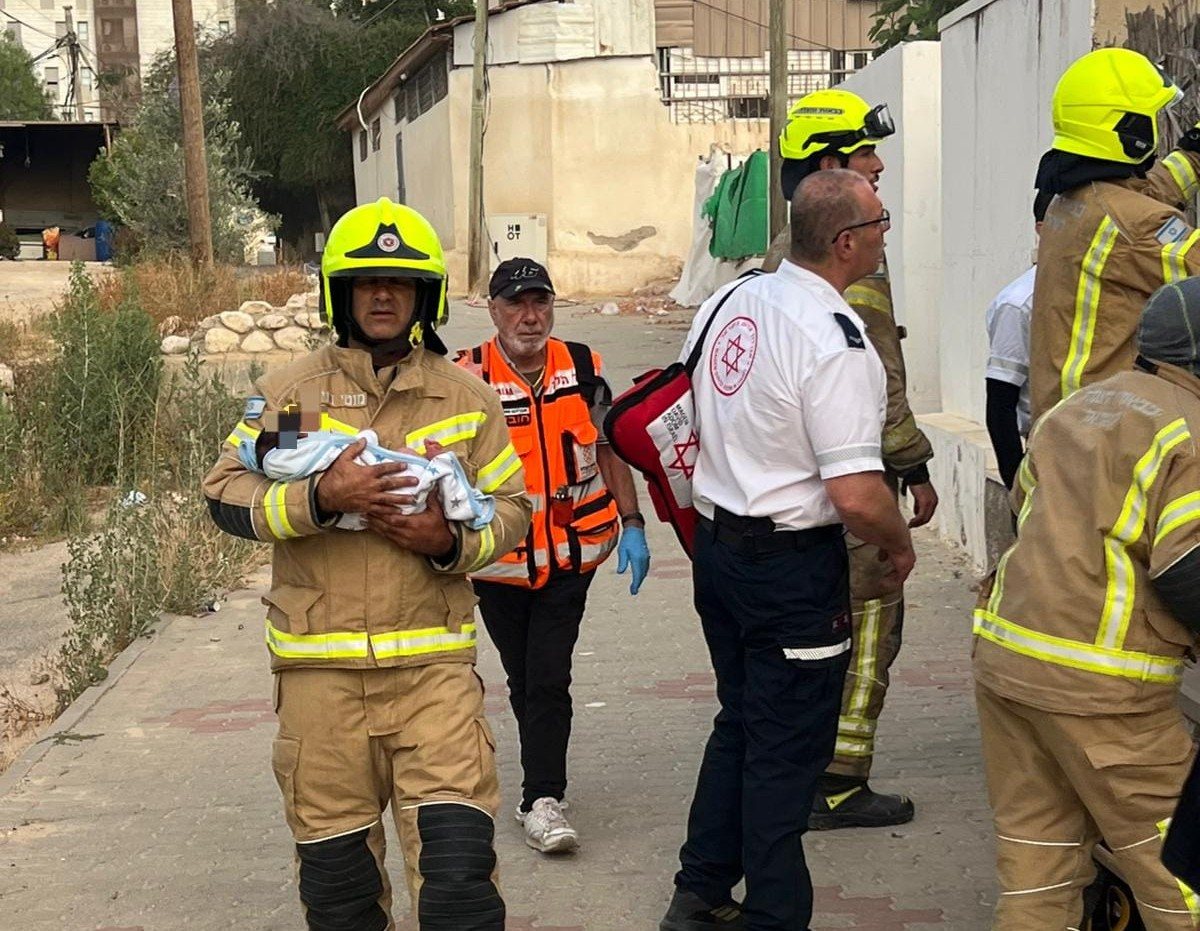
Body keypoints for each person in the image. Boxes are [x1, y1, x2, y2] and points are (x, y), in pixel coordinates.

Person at [202, 198, 532, 931]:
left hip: (433, 683)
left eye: (400, 283)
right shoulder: (291, 396)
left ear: (426, 296)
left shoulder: (466, 397)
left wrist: (444, 542)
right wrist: (320, 496)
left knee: (460, 890)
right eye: (365, 282)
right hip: (320, 690)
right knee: (342, 902)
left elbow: (512, 509)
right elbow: (224, 492)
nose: (383, 295)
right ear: (339, 293)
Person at [660, 169, 916, 931]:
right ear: (846, 242)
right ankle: (774, 914)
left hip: (720, 546)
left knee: (740, 720)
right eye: (879, 220)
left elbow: (687, 401)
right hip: (790, 567)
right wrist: (899, 547)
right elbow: (857, 494)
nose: (884, 231)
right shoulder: (838, 342)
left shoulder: (732, 298)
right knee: (786, 753)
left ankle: (699, 889)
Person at [973, 278, 1200, 929]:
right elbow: (1186, 567)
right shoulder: (1188, 428)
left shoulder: (1075, 408)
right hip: (1105, 690)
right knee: (1182, 875)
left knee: (1037, 871)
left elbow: (1025, 514)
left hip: (1008, 665)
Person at [761, 87, 937, 830]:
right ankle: (840, 780)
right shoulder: (852, 255)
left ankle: (796, 769)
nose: (879, 162)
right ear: (831, 161)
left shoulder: (781, 259)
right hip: (855, 478)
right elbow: (881, 381)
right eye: (865, 150)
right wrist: (915, 466)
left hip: (794, 490)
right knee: (872, 622)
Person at [454, 257, 650, 855]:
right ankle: (538, 776)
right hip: (501, 564)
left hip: (571, 557)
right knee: (524, 677)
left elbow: (610, 446)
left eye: (540, 302)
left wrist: (634, 520)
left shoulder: (586, 367)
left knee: (547, 675)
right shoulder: (467, 378)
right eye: (516, 303)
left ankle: (542, 799)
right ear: (493, 311)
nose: (530, 316)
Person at [1030, 47, 1200, 424]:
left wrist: (1192, 154)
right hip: (1108, 431)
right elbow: (1184, 258)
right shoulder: (1136, 224)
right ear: (1130, 129)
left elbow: (1138, 198)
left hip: (1065, 427)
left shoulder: (1071, 200)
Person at [984, 207, 1046, 490]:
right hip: (1046, 457)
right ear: (1043, 228)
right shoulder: (1020, 304)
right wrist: (1017, 487)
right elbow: (1000, 404)